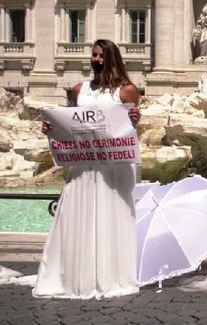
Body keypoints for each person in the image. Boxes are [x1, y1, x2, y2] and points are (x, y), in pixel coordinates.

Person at [35, 39, 141, 299]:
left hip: (113, 167)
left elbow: (131, 127)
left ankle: (109, 274)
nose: (95, 60)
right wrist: (52, 128)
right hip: (83, 164)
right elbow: (70, 123)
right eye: (93, 56)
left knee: (110, 215)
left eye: (99, 56)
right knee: (76, 214)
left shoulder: (127, 91)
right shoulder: (79, 89)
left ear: (111, 58)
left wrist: (136, 120)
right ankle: (72, 274)